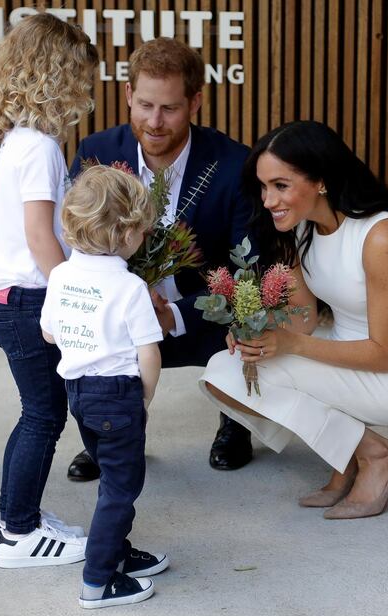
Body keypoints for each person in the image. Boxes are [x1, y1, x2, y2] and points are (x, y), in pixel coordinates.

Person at [200, 121, 388, 519]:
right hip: (343, 358)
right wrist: (256, 335)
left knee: (242, 373)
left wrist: (291, 346)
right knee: (226, 371)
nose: (268, 200)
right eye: (264, 187)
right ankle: (353, 453)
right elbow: (302, 323)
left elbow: (383, 354)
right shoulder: (304, 231)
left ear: (320, 180)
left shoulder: (382, 235)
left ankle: (379, 456)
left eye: (281, 186)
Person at [66, 36, 255, 481]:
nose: (154, 121)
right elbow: (78, 249)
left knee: (254, 310)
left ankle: (236, 418)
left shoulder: (233, 164)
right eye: (145, 104)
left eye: (169, 108)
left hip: (201, 316)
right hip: (118, 318)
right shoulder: (97, 153)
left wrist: (174, 315)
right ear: (129, 95)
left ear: (195, 102)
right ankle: (109, 436)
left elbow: (247, 269)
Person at [0, 14, 98, 567]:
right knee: (43, 416)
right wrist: (72, 292)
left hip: (2, 296)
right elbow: (39, 235)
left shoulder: (18, 141)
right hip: (25, 300)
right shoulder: (42, 147)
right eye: (83, 78)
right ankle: (17, 532)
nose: (88, 91)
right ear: (60, 76)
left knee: (39, 412)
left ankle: (17, 519)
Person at [41, 165, 169, 609]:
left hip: (79, 394)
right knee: (121, 486)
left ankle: (117, 553)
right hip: (119, 395)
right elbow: (149, 352)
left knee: (111, 476)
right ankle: (98, 581)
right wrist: (146, 397)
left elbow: (50, 334)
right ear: (130, 232)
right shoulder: (129, 286)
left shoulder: (60, 277)